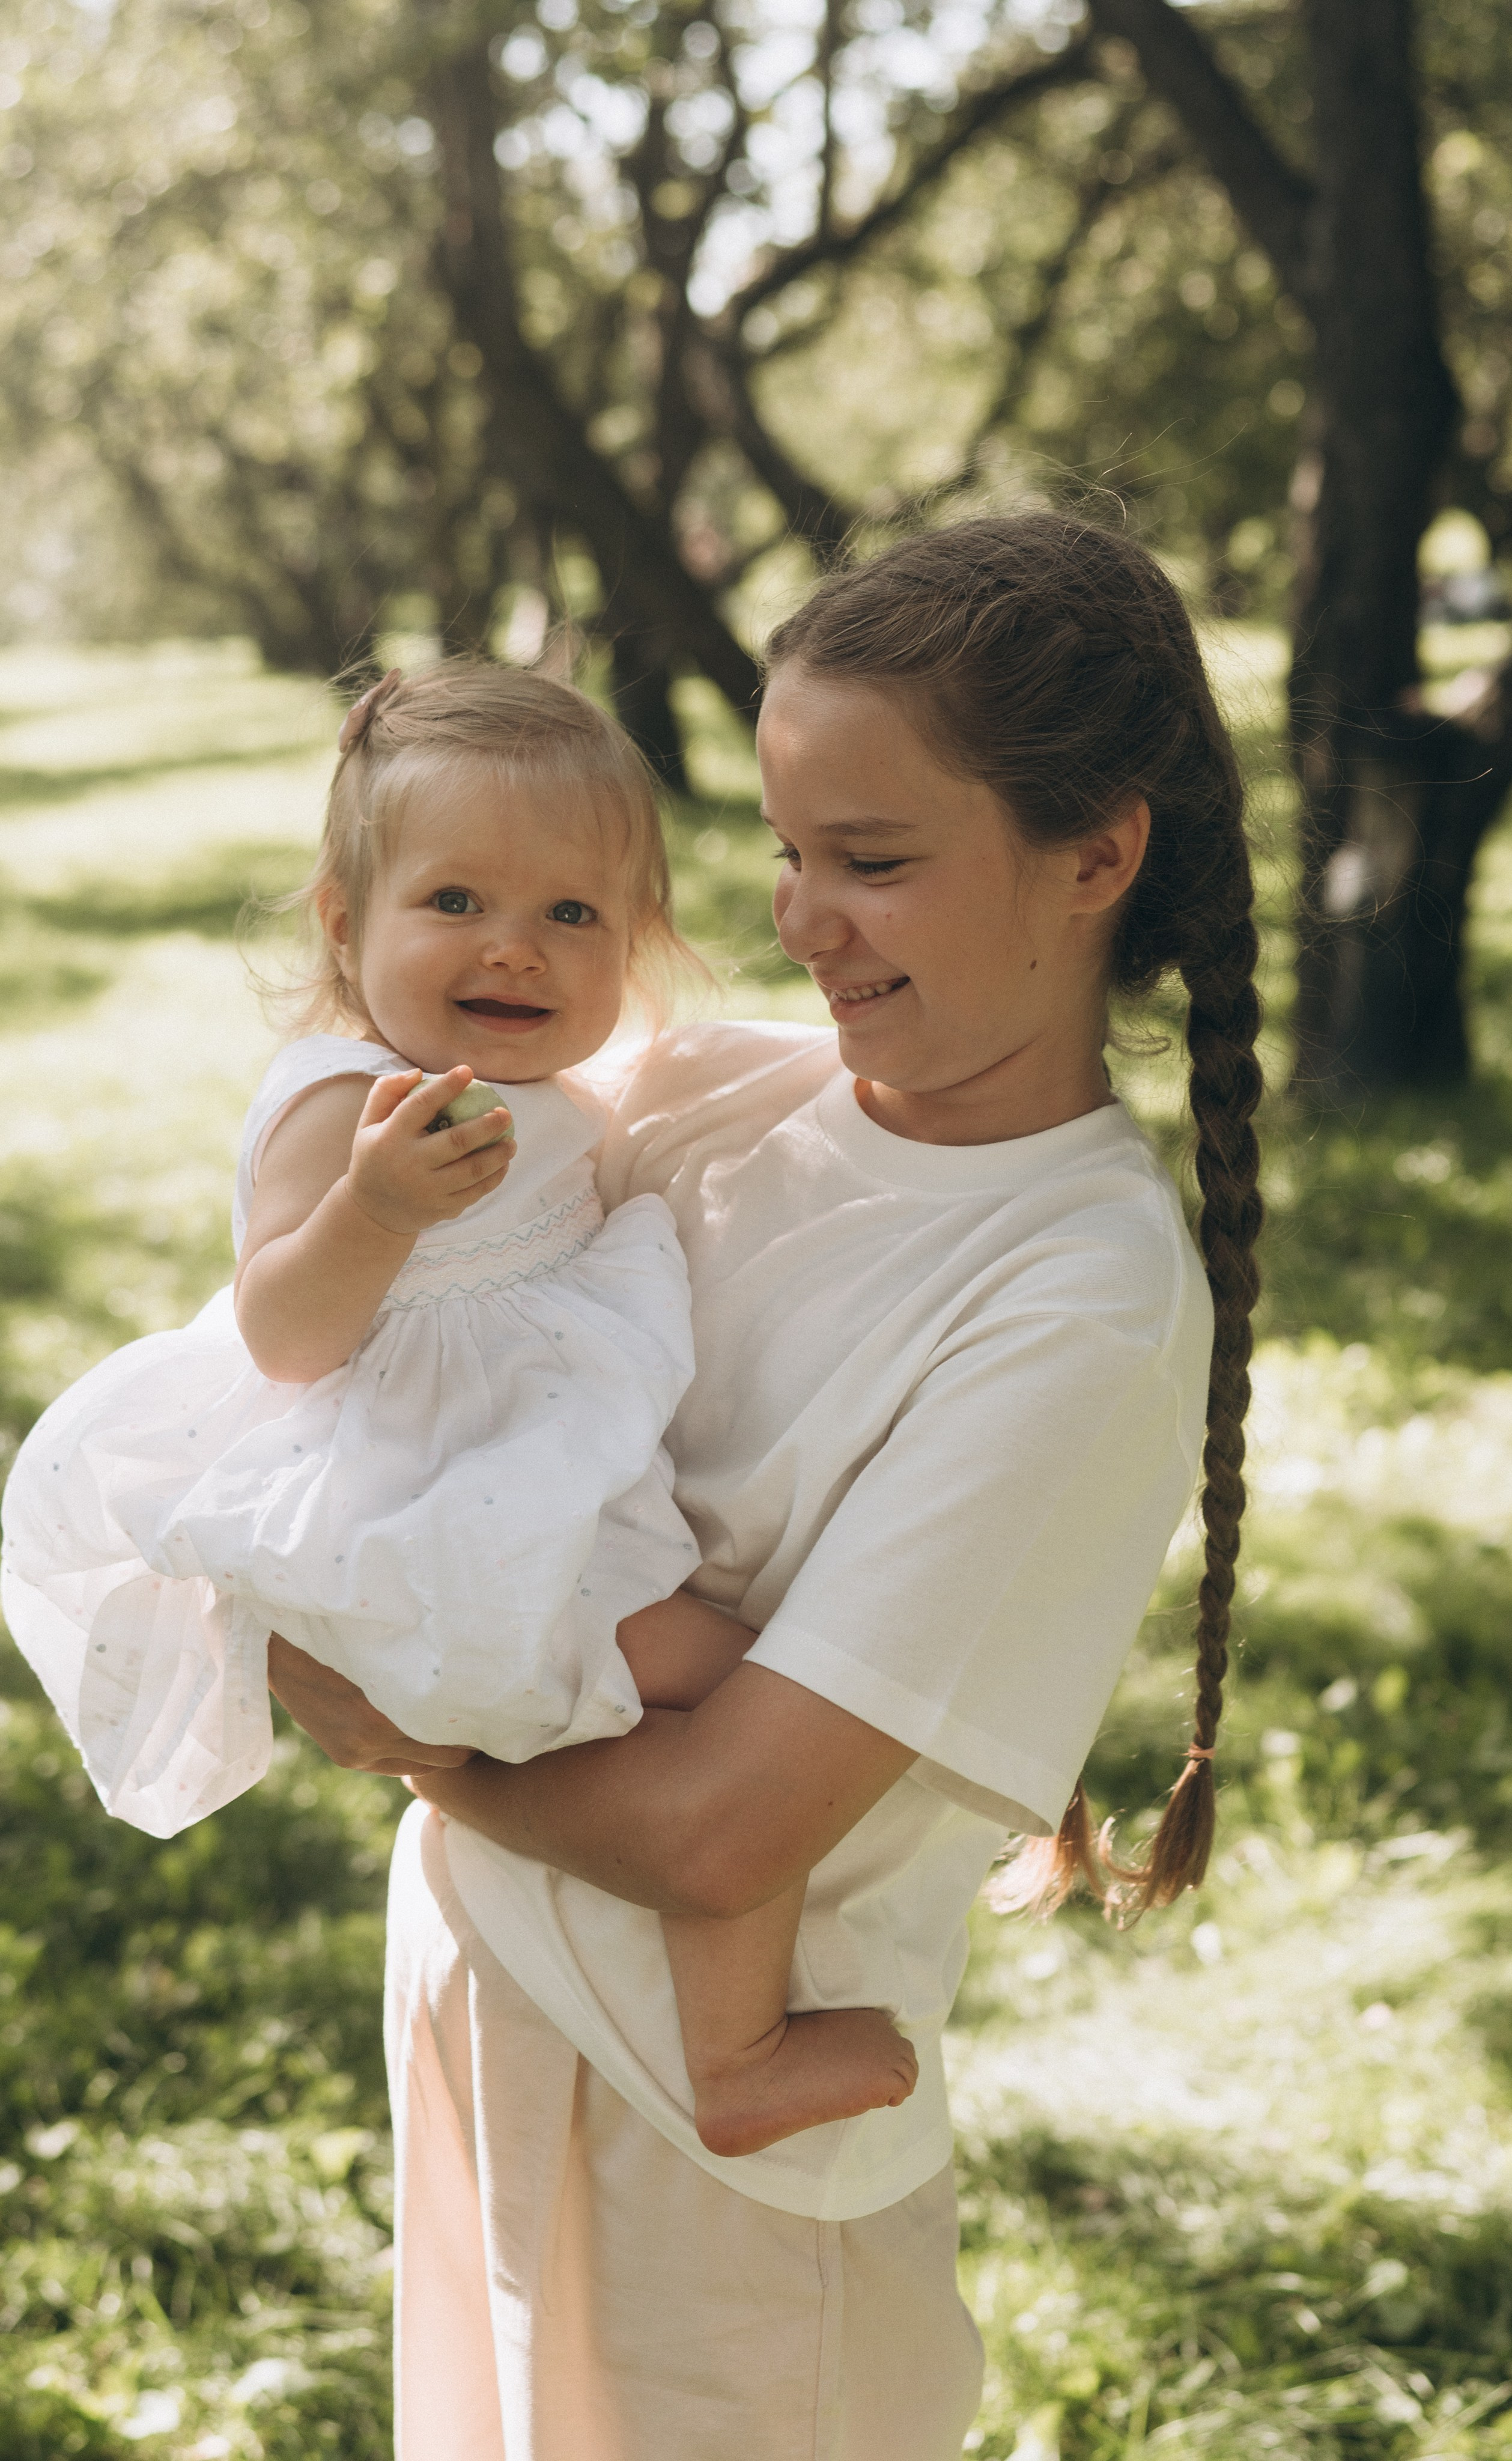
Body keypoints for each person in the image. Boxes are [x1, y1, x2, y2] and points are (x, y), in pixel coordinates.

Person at [267, 511, 1265, 2460]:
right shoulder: (723, 1090)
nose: (799, 918)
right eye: (788, 849)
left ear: (1092, 854)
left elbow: (726, 1830)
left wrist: (398, 1720)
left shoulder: (1072, 1296)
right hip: (485, 1997)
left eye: (872, 863)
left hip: (719, 2191)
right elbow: (394, 1333)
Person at [0, 660, 919, 2161]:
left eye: (575, 916)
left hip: (530, 1493)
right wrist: (369, 1207)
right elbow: (282, 1334)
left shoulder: (558, 1083)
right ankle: (735, 2048)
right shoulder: (339, 1102)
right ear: (344, 923)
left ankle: (725, 2027)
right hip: (440, 1516)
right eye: (456, 903)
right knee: (740, 1694)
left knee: (729, 1701)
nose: (517, 947)